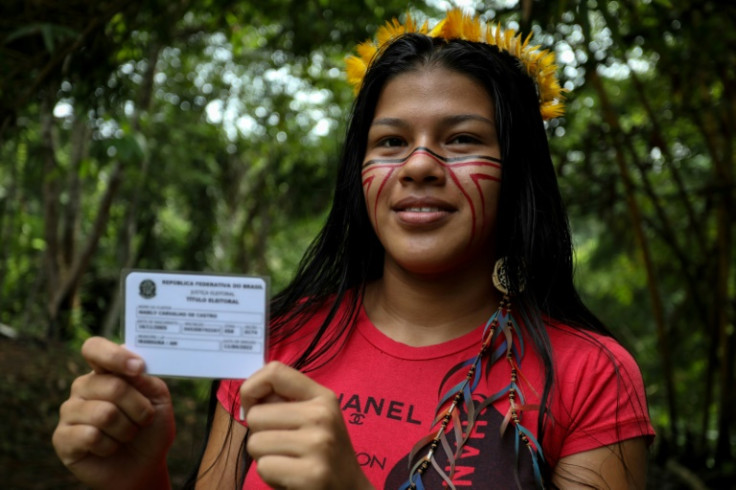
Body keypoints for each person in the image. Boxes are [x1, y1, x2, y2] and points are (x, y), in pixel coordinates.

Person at [52, 9, 655, 489]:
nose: (419, 164)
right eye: (391, 141)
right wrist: (136, 479)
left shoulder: (593, 375)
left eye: (462, 138)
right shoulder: (279, 341)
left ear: (518, 170)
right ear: (359, 173)